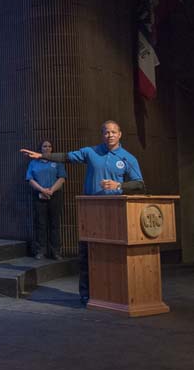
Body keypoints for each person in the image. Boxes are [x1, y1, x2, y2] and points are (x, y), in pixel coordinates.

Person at [21, 120, 144, 305]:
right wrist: (42, 156)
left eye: (113, 132)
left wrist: (119, 185)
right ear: (102, 135)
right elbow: (66, 157)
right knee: (86, 253)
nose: (109, 135)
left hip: (114, 210)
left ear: (120, 134)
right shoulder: (91, 152)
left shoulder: (127, 158)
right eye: (106, 132)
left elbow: (139, 184)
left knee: (112, 254)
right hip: (91, 209)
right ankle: (86, 294)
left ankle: (113, 293)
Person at [25, 141, 66, 260]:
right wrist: (42, 190)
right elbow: (30, 179)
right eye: (45, 146)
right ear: (41, 149)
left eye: (49, 146)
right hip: (39, 195)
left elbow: (62, 178)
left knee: (54, 224)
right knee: (40, 224)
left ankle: (56, 252)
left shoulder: (57, 162)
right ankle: (40, 251)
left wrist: (51, 190)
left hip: (55, 195)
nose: (47, 148)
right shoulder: (34, 163)